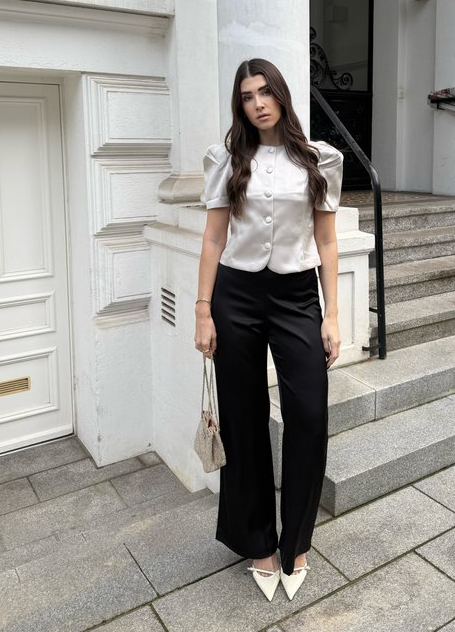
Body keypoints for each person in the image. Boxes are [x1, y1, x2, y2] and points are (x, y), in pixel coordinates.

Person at [194, 58, 343, 601]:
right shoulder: (226, 159)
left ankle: (296, 540)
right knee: (244, 416)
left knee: (308, 411)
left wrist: (332, 315)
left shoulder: (320, 159)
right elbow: (213, 239)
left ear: (281, 94)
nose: (257, 103)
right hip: (235, 295)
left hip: (297, 294)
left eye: (264, 92)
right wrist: (202, 308)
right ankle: (258, 540)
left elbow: (327, 243)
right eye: (247, 96)